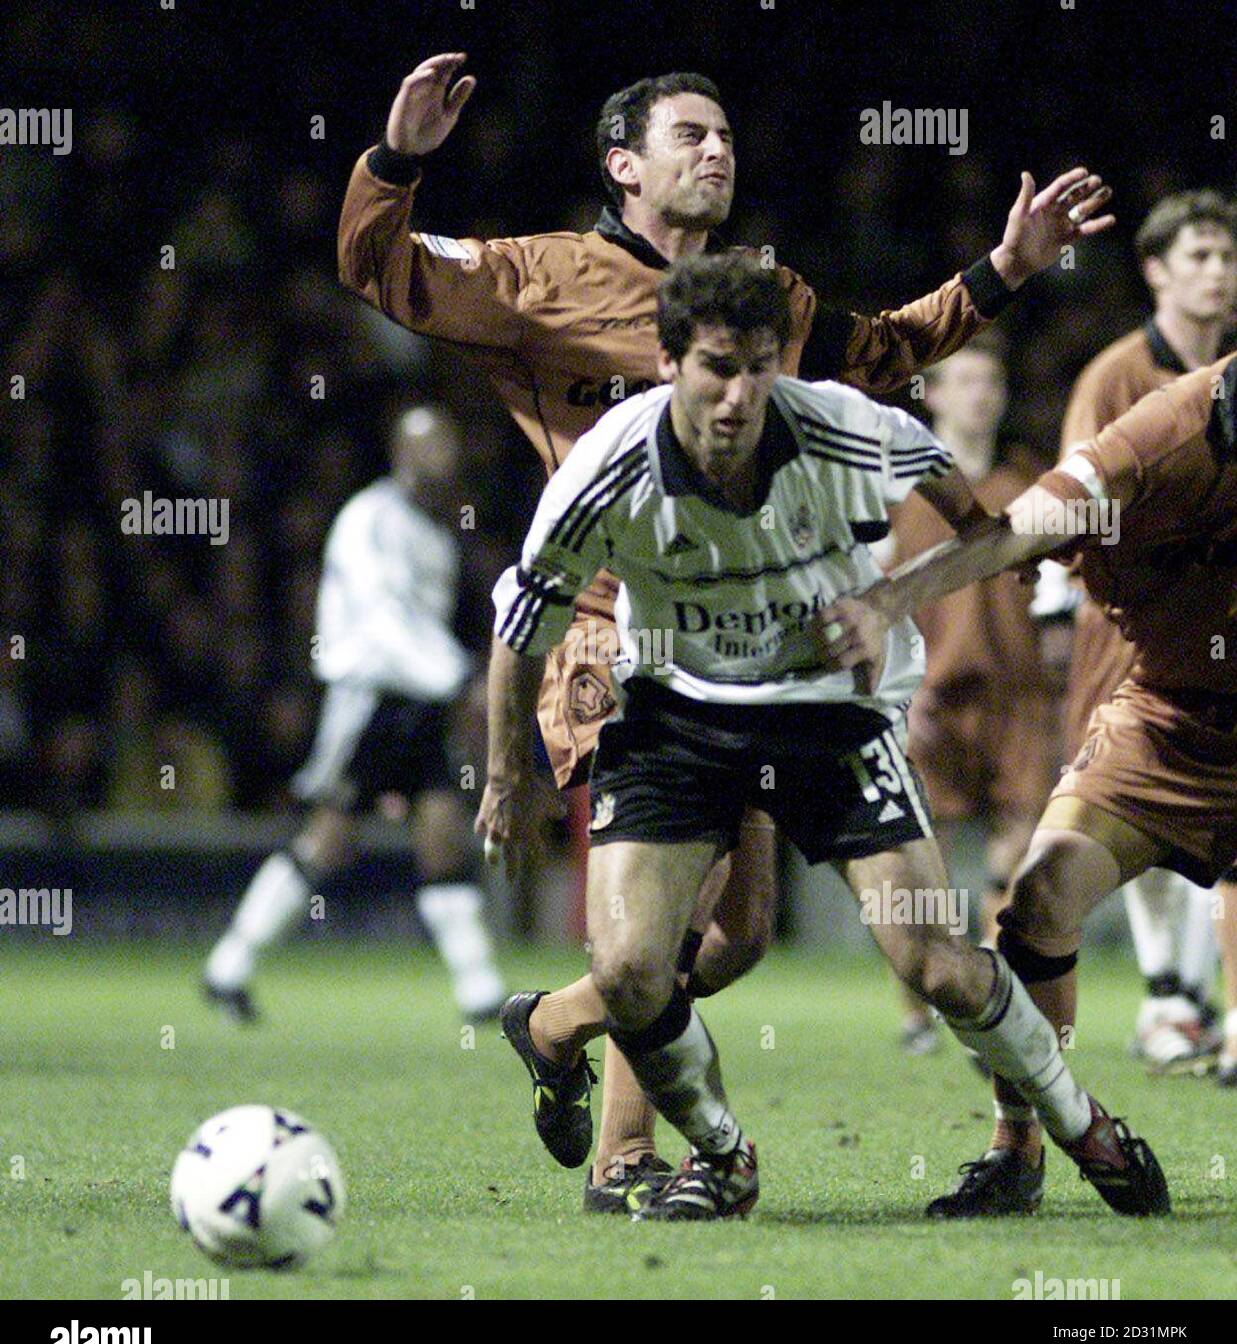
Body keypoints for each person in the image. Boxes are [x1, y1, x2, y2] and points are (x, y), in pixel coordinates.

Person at [339, 49, 1115, 1209]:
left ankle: (550, 1025)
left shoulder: (766, 302)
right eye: (689, 135)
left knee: (741, 933)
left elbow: (883, 353)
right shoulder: (540, 273)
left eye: (726, 137)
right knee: (676, 914)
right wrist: (396, 160)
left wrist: (1003, 269)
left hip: (727, 644)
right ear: (622, 164)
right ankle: (627, 1159)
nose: (717, 150)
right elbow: (380, 272)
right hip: (602, 626)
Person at [478, 253, 1167, 1222]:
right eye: (717, 366)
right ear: (670, 360)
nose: (739, 393)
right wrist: (507, 774)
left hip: (825, 712)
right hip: (675, 714)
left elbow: (986, 528)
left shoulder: (848, 428)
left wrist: (890, 598)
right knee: (634, 971)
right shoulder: (606, 468)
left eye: (760, 365)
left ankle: (1079, 1119)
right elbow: (522, 628)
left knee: (930, 961)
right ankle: (720, 1154)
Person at [818, 346, 1237, 1215]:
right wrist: (888, 602)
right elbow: (1015, 530)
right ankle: (1017, 1147)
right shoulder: (1154, 437)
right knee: (1038, 898)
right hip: (1168, 717)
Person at [203, 406, 505, 1022]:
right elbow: (383, 622)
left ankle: (479, 993)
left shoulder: (435, 529)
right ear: (402, 451)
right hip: (369, 700)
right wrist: (461, 678)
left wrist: (449, 683)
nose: (447, 452)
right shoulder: (371, 518)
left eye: (450, 439)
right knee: (328, 839)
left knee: (443, 833)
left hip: (418, 703)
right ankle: (227, 965)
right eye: (432, 441)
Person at [1033, 190, 1237, 1077]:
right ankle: (1166, 992)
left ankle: (1199, 1002)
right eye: (1197, 256)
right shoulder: (1118, 376)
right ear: (1155, 271)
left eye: (1226, 257)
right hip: (1126, 629)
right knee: (1137, 815)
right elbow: (1067, 506)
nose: (1217, 272)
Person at [888, 339, 1057, 1055]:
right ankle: (917, 1014)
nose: (980, 395)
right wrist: (892, 693)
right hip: (930, 698)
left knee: (1014, 853)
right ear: (930, 394)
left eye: (991, 380)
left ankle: (988, 1002)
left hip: (1017, 696)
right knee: (920, 859)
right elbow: (873, 596)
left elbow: (1060, 596)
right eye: (963, 381)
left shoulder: (1032, 482)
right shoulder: (901, 490)